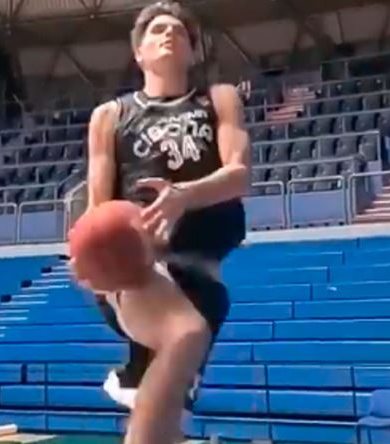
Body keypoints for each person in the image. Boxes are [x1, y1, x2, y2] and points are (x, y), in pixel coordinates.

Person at [70, 1, 249, 443]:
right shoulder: (110, 115)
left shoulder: (218, 99)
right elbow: (97, 204)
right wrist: (89, 256)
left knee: (166, 414)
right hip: (139, 266)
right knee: (184, 337)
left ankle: (137, 382)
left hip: (200, 271)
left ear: (193, 52)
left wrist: (183, 195)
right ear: (138, 53)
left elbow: (239, 175)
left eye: (179, 32)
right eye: (157, 31)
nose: (169, 34)